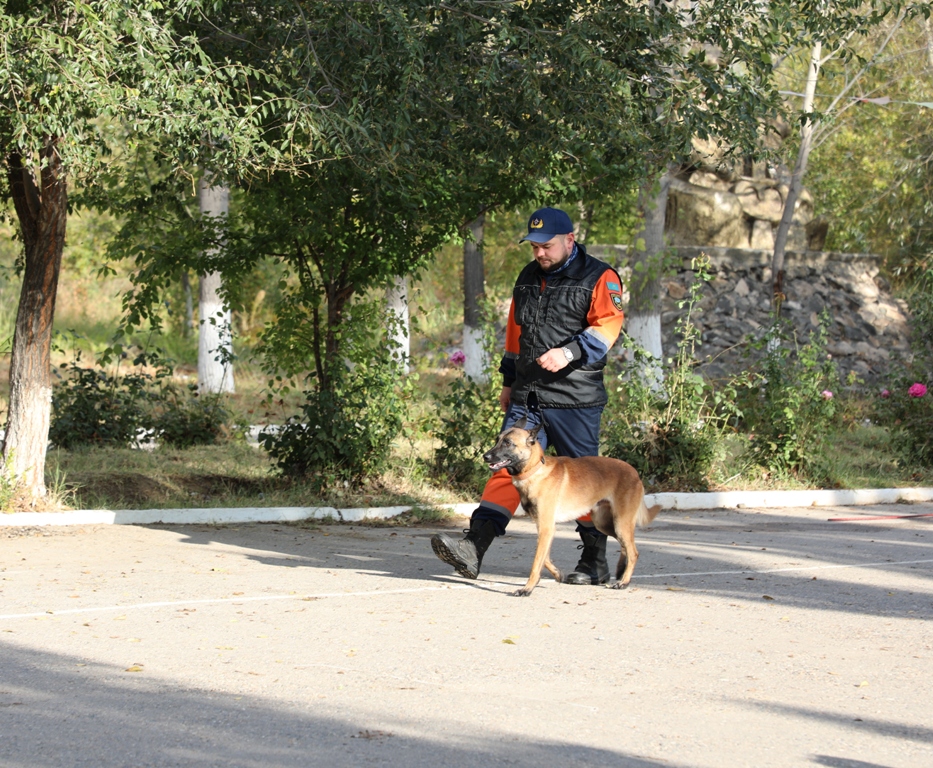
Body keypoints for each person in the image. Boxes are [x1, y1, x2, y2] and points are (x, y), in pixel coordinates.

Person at [431, 206, 626, 585]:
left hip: (575, 398)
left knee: (585, 481)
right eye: (534, 246)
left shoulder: (599, 276)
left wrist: (568, 352)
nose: (539, 253)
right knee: (506, 465)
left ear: (569, 240)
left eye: (546, 246)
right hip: (528, 396)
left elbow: (608, 325)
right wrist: (508, 382)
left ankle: (594, 561)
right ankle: (473, 547)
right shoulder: (527, 277)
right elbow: (514, 334)